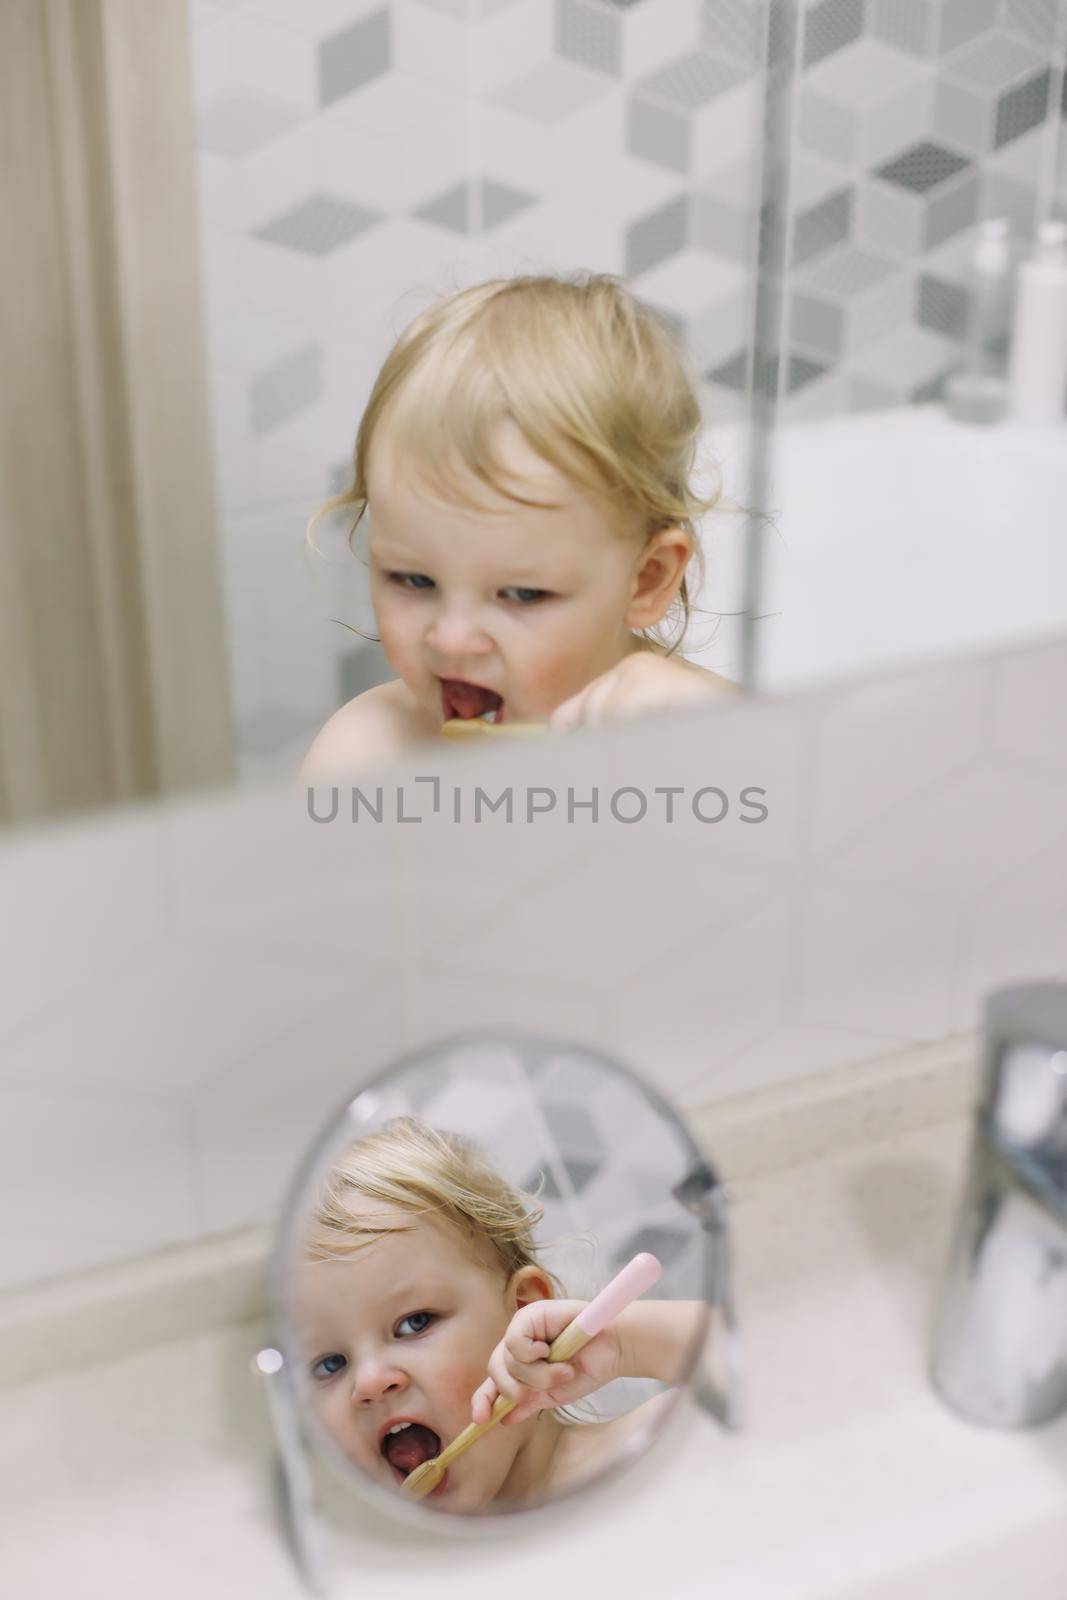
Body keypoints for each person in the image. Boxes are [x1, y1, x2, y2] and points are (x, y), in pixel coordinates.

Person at [300, 272, 738, 776]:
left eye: (522, 594)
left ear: (647, 579)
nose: (452, 639)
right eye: (413, 580)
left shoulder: (695, 736)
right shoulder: (371, 753)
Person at [295, 1115, 707, 1514]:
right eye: (329, 1364)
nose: (368, 1383)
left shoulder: (635, 1458)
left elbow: (758, 1364)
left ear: (524, 1310)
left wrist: (623, 1344)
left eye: (414, 1323)